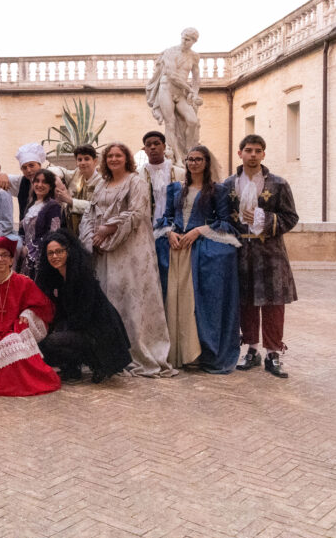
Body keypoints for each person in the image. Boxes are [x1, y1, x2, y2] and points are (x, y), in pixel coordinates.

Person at [80, 142, 175, 378]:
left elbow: (137, 213)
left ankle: (137, 352)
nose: (113, 159)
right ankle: (112, 352)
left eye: (118, 155)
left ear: (127, 158)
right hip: (105, 251)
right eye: (110, 156)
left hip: (130, 249)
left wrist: (107, 231)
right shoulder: (102, 184)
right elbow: (90, 211)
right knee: (110, 298)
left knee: (132, 299)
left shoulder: (136, 182)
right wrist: (92, 236)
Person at [157, 145, 241, 373]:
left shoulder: (218, 190)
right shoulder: (174, 189)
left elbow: (225, 222)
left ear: (206, 162)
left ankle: (197, 352)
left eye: (198, 159)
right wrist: (169, 233)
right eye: (190, 159)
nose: (193, 163)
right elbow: (164, 218)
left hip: (199, 246)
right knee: (174, 299)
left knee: (193, 302)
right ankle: (175, 352)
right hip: (175, 248)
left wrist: (198, 231)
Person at [221, 135, 299, 378]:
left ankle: (273, 353)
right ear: (240, 153)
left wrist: (264, 219)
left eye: (257, 150)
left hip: (271, 252)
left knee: (273, 303)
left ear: (264, 154)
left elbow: (290, 217)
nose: (252, 154)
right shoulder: (227, 185)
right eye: (248, 150)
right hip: (241, 251)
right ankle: (252, 350)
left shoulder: (278, 184)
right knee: (246, 302)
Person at [0, 236, 61, 397]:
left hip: (14, 331)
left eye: (4, 255)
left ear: (11, 260)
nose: (0, 259)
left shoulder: (23, 283)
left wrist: (27, 314)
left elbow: (45, 307)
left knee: (15, 346)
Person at [34, 230, 132, 383]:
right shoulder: (58, 277)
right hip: (81, 329)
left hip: (99, 333)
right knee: (45, 344)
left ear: (68, 251)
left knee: (51, 342)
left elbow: (84, 316)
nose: (54, 256)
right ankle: (72, 369)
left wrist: (60, 329)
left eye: (59, 251)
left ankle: (97, 363)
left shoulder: (82, 276)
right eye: (50, 253)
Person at [137, 130, 185, 296]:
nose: (153, 148)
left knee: (172, 277)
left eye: (156, 143)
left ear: (164, 146)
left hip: (174, 232)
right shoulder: (138, 175)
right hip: (146, 232)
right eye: (148, 145)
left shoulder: (179, 173)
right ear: (144, 149)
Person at [145, 27, 203, 164]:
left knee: (192, 121)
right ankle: (177, 158)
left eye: (188, 39)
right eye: (183, 37)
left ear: (194, 41)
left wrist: (195, 93)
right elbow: (172, 75)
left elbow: (196, 77)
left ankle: (189, 152)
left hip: (181, 93)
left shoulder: (194, 56)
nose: (184, 41)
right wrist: (189, 89)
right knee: (170, 124)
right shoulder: (170, 52)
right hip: (167, 90)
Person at [2, 142, 78, 222]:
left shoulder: (53, 180)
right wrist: (2, 175)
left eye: (31, 165)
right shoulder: (21, 182)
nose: (28, 170)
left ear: (39, 165)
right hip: (25, 232)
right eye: (24, 168)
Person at [18, 169, 65, 279]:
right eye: (37, 181)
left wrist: (32, 248)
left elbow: (54, 234)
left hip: (41, 257)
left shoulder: (53, 206)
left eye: (44, 182)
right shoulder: (31, 205)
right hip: (26, 257)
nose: (40, 185)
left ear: (50, 186)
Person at [64, 145, 102, 236]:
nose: (83, 163)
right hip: (73, 232)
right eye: (79, 159)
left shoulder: (102, 182)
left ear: (95, 161)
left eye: (87, 159)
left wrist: (71, 201)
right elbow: (59, 171)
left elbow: (97, 208)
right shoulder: (76, 174)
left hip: (92, 232)